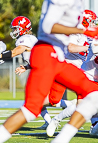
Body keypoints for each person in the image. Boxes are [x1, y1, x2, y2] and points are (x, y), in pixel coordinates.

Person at [0, 0, 98, 142]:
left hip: (58, 58)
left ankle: (61, 138)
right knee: (30, 110)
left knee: (93, 94)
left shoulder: (77, 5)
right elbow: (48, 26)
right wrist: (84, 30)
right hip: (46, 53)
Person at [0, 16, 75, 131]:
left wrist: (0, 55)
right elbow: (38, 58)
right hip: (46, 70)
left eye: (16, 28)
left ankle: (72, 105)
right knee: (35, 98)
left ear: (23, 28)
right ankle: (49, 121)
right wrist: (27, 67)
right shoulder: (30, 38)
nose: (14, 31)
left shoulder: (25, 39)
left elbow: (17, 51)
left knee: (50, 100)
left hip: (50, 71)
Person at [46, 9, 98, 137]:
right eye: (92, 22)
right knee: (82, 107)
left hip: (92, 74)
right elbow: (88, 49)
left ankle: (95, 125)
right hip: (88, 76)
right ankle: (56, 119)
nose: (94, 25)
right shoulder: (80, 33)